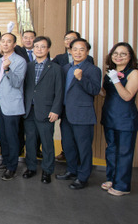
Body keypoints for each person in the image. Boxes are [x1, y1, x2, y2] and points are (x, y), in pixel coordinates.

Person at [56, 38, 101, 190]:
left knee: (84, 147)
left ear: (87, 52)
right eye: (75, 49)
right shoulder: (65, 68)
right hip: (66, 113)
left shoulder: (93, 69)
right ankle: (71, 170)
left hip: (82, 114)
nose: (78, 52)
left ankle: (83, 177)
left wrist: (81, 79)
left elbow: (95, 90)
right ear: (70, 51)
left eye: (81, 49)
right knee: (68, 145)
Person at [101, 42, 138, 196]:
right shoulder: (110, 71)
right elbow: (105, 93)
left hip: (125, 117)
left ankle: (122, 186)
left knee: (124, 152)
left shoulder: (134, 73)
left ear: (130, 56)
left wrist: (116, 80)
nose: (118, 56)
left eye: (123, 54)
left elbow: (127, 96)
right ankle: (112, 179)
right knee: (111, 149)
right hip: (110, 115)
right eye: (115, 53)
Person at [22, 36, 64, 184]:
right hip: (29, 110)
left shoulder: (56, 68)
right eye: (37, 46)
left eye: (43, 46)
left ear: (48, 49)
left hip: (46, 111)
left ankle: (47, 170)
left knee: (47, 142)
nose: (39, 49)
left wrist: (55, 110)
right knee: (30, 141)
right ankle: (31, 167)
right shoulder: (28, 66)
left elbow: (59, 91)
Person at [0, 33, 27, 181]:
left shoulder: (19, 61)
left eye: (8, 41)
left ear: (14, 44)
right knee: (3, 136)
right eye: (3, 41)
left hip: (12, 104)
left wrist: (7, 70)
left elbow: (17, 83)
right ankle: (5, 162)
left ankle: (12, 167)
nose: (5, 44)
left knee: (12, 137)